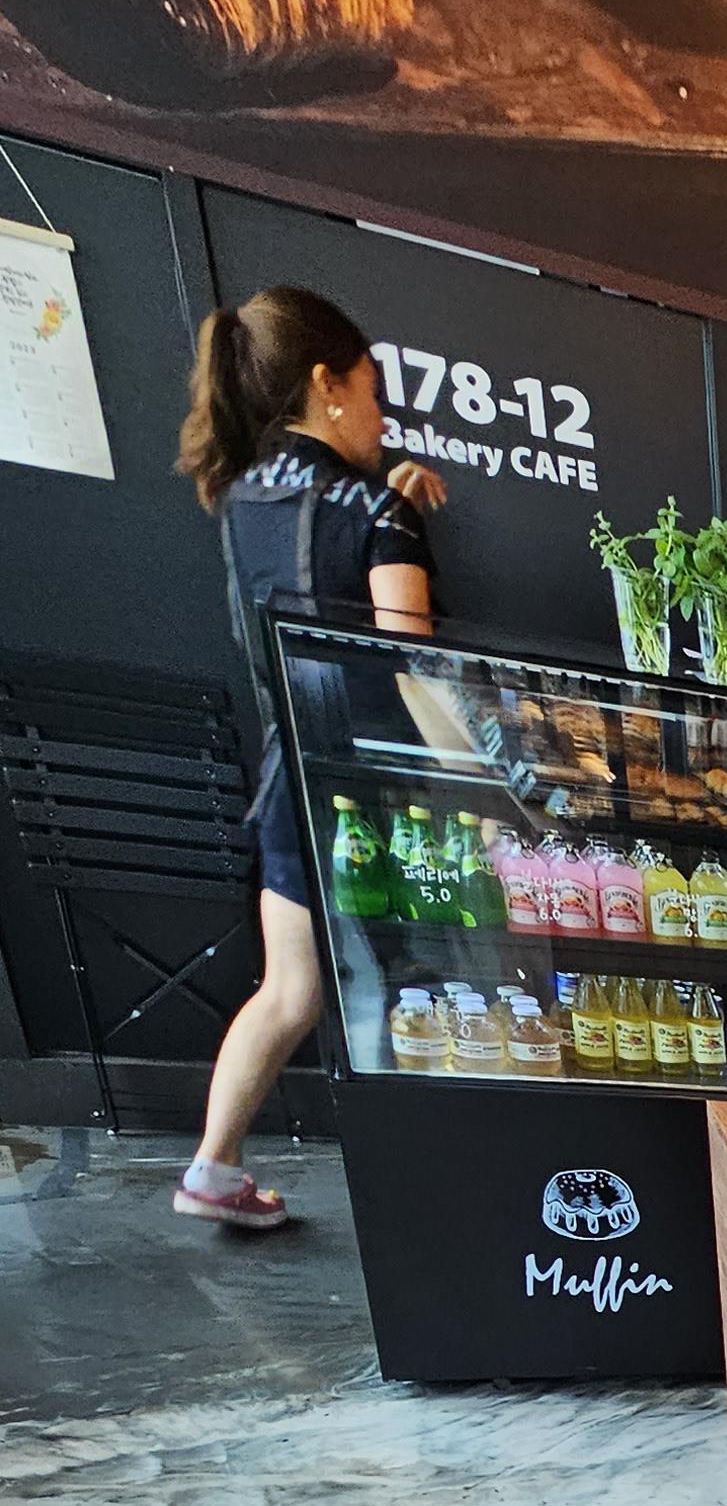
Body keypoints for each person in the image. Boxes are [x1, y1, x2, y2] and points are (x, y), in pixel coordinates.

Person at [176, 285, 445, 1231]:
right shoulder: (378, 512)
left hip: (288, 782)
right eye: (372, 392)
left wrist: (388, 503)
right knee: (387, 988)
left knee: (291, 990)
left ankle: (211, 1171)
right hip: (371, 796)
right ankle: (411, 1203)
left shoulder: (243, 497)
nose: (382, 417)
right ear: (328, 385)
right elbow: (411, 665)